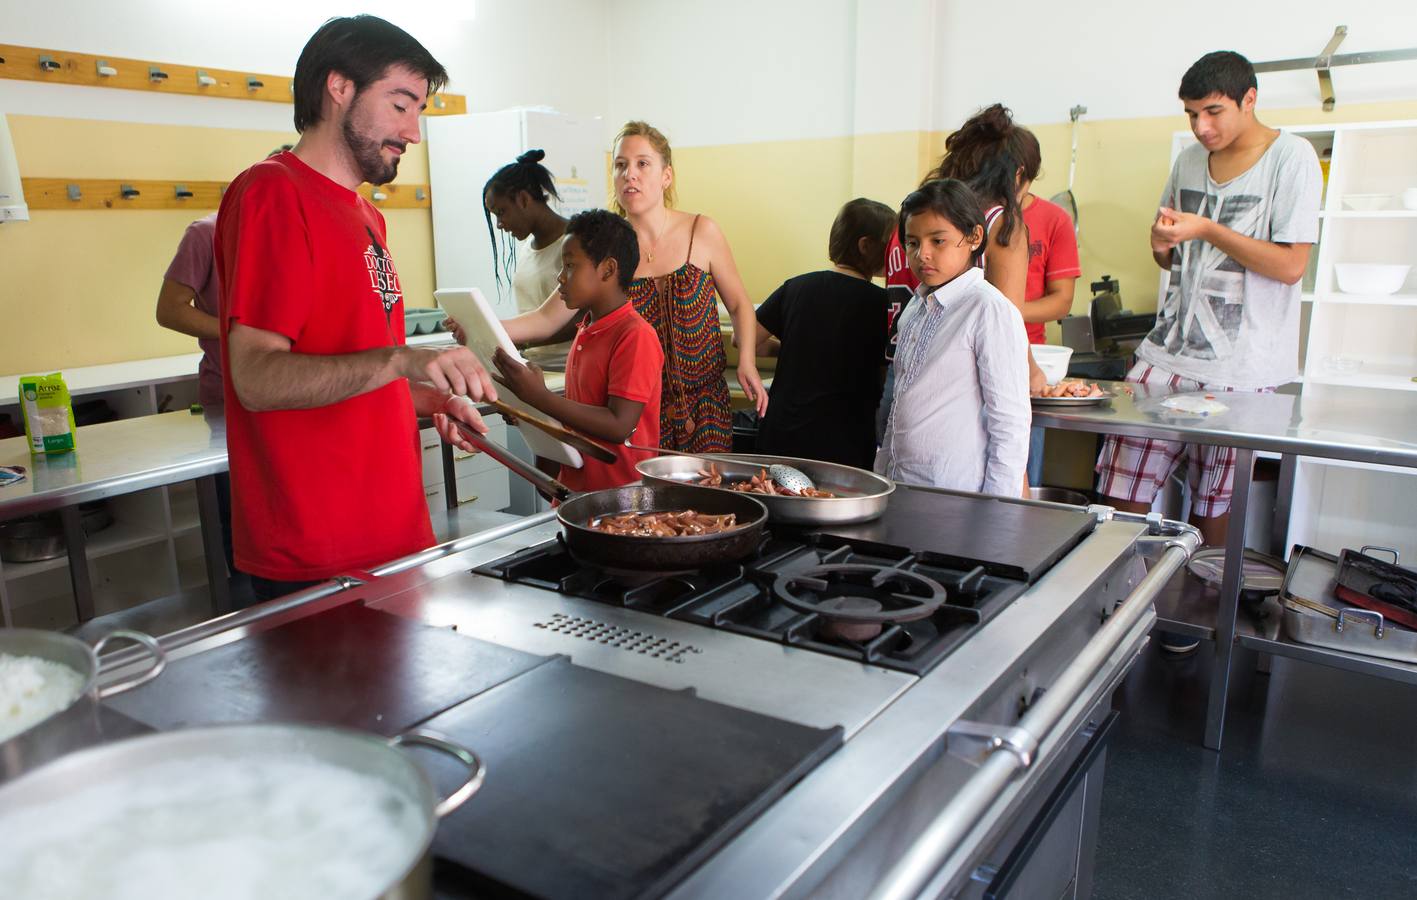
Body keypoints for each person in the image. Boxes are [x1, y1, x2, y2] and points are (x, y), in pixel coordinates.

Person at [215, 15, 495, 602]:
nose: (414, 133)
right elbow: (257, 378)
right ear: (339, 87)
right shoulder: (273, 193)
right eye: (400, 105)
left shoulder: (367, 216)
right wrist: (402, 361)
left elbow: (359, 370)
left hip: (394, 536)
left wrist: (433, 398)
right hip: (319, 551)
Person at [1096, 50, 1320, 652]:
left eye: (1213, 112)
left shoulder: (1291, 158)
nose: (1202, 128)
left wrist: (1209, 229)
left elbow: (1292, 265)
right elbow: (1167, 255)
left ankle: (1192, 620)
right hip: (1166, 353)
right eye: (1193, 114)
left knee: (1215, 501)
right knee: (1120, 487)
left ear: (1250, 99)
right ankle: (1115, 610)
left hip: (1242, 367)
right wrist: (1163, 244)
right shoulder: (1189, 159)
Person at [501, 121, 768, 452]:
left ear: (666, 175)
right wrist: (480, 325)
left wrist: (746, 362)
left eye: (643, 163)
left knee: (710, 496)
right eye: (620, 165)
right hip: (639, 412)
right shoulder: (605, 244)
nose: (630, 174)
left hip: (706, 406)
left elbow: (741, 305)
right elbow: (545, 319)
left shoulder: (702, 230)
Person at [878, 105, 1046, 449]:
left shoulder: (917, 217)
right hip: (960, 389)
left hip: (898, 376)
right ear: (1017, 176)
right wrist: (1033, 373)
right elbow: (1008, 325)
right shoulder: (1001, 225)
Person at [460, 210, 662, 492]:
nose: (560, 278)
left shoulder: (635, 336)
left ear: (607, 269)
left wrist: (540, 398)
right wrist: (531, 413)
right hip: (577, 491)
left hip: (620, 501)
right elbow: (579, 414)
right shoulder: (587, 329)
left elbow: (619, 426)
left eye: (569, 266)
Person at [876, 180, 1030, 494]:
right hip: (901, 484)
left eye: (938, 241)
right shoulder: (915, 309)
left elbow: (1010, 422)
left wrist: (997, 510)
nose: (923, 255)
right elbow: (900, 404)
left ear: (974, 237)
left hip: (955, 491)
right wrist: (882, 476)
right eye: (913, 242)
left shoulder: (989, 310)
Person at [750, 198, 895, 469]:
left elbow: (745, 341)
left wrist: (793, 348)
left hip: (783, 434)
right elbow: (884, 374)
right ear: (866, 246)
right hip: (844, 442)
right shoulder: (882, 303)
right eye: (891, 244)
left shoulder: (796, 286)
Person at [1014, 127, 1082, 485]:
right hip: (967, 356)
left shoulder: (1055, 220)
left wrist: (1001, 311)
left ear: (1020, 173)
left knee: (1021, 468)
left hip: (1028, 362)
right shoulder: (970, 215)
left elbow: (1061, 301)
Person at [482, 149, 570, 315]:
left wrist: (513, 332)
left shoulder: (575, 245)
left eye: (501, 212)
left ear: (523, 199)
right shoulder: (527, 248)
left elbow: (580, 318)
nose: (499, 225)